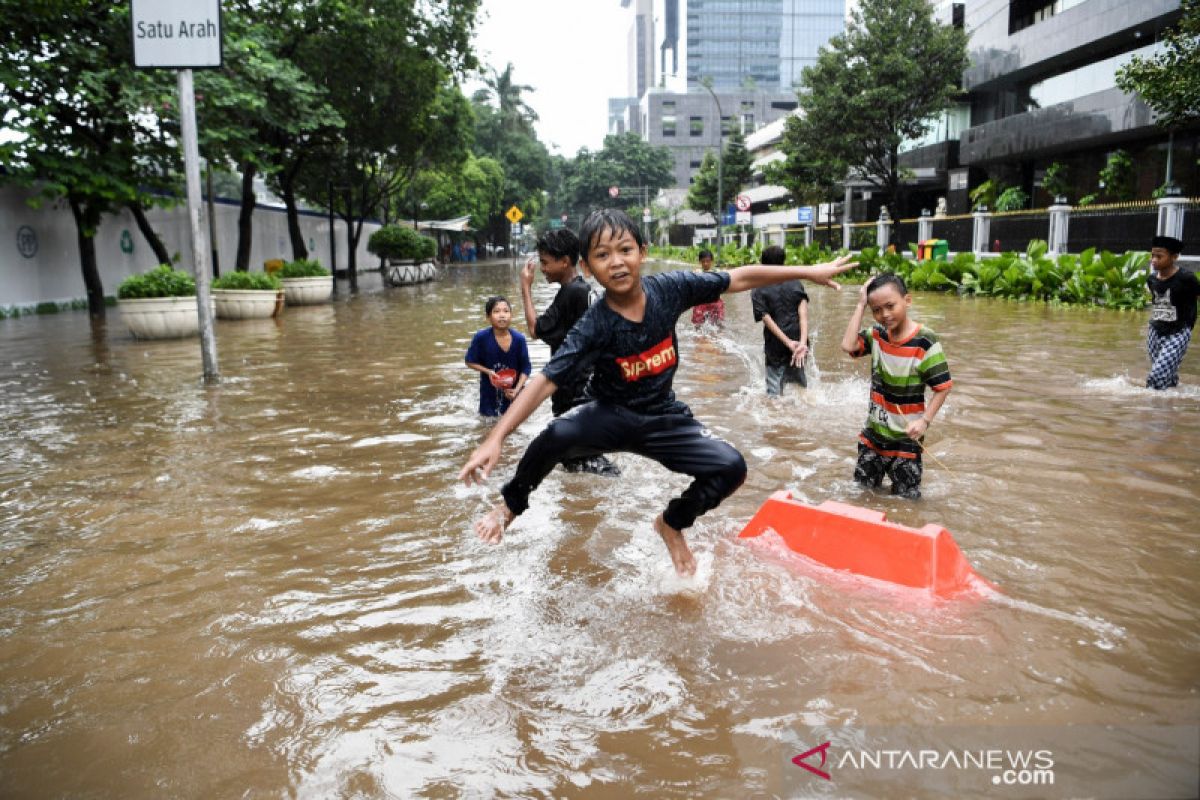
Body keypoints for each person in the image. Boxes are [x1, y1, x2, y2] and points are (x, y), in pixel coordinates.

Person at [459, 208, 855, 576]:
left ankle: (671, 523)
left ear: (642, 252)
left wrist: (810, 271)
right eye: (602, 255)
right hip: (610, 414)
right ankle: (510, 506)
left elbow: (740, 278)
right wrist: (496, 437)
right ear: (587, 267)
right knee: (556, 434)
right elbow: (546, 381)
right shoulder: (594, 324)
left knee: (731, 466)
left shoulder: (671, 289)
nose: (616, 262)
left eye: (625, 249)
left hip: (663, 416)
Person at [840, 273, 952, 500]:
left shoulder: (924, 341)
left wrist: (924, 421)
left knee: (906, 503)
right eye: (877, 310)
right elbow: (848, 345)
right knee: (862, 495)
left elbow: (943, 387)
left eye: (890, 306)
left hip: (906, 441)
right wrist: (861, 304)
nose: (885, 315)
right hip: (873, 437)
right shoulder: (877, 335)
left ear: (907, 301)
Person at [519, 228, 621, 476]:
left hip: (572, 391)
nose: (542, 268)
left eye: (545, 262)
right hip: (587, 389)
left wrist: (525, 287)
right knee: (582, 463)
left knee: (578, 462)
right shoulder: (585, 290)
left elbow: (534, 329)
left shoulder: (571, 293)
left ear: (565, 261)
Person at [751, 245, 809, 395]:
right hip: (799, 344)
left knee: (774, 396)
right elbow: (803, 316)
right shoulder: (796, 283)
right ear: (783, 262)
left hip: (776, 346)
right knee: (799, 390)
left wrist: (787, 343)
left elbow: (767, 320)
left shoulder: (758, 288)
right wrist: (802, 343)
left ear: (763, 264)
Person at [1145, 235, 1198, 390]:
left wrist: (1189, 323)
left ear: (1174, 257)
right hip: (1155, 331)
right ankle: (1169, 405)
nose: (1154, 259)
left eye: (1159, 256)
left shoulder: (1186, 278)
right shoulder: (1152, 279)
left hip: (1178, 332)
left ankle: (1149, 408)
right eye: (1153, 255)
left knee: (1156, 377)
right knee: (1167, 375)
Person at [465, 296, 532, 417]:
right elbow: (469, 361)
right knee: (487, 425)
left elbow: (526, 368)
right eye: (496, 311)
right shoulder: (481, 338)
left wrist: (516, 390)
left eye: (506, 311)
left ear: (511, 315)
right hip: (489, 395)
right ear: (488, 317)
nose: (502, 315)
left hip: (514, 392)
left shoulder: (519, 339)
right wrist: (488, 372)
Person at [690, 249, 725, 326]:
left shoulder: (717, 272)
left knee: (718, 324)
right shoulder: (697, 272)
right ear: (700, 262)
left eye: (708, 261)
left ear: (712, 261)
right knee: (698, 325)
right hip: (701, 302)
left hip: (715, 302)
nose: (705, 263)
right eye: (703, 261)